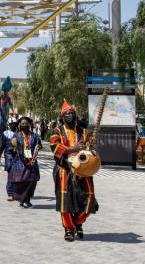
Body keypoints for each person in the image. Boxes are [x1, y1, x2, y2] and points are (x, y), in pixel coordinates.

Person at [50, 100, 98, 242]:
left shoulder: (83, 132)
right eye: (67, 114)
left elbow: (89, 150)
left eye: (72, 113)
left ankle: (78, 222)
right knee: (65, 201)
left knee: (89, 198)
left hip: (83, 170)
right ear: (63, 117)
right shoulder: (56, 131)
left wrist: (90, 146)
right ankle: (69, 229)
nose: (70, 115)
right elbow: (55, 148)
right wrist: (73, 149)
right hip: (64, 170)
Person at [9, 116, 42, 208]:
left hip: (32, 161)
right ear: (19, 125)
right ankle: (23, 200)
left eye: (26, 123)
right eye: (22, 123)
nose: (24, 125)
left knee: (32, 182)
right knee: (21, 182)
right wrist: (13, 145)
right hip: (20, 162)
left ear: (30, 125)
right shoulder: (16, 135)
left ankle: (27, 199)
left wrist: (37, 149)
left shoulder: (35, 136)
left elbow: (38, 146)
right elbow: (10, 148)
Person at [2, 121, 16, 201]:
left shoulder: (19, 135)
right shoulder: (5, 134)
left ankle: (15, 192)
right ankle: (10, 193)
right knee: (11, 174)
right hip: (9, 157)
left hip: (17, 157)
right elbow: (2, 146)